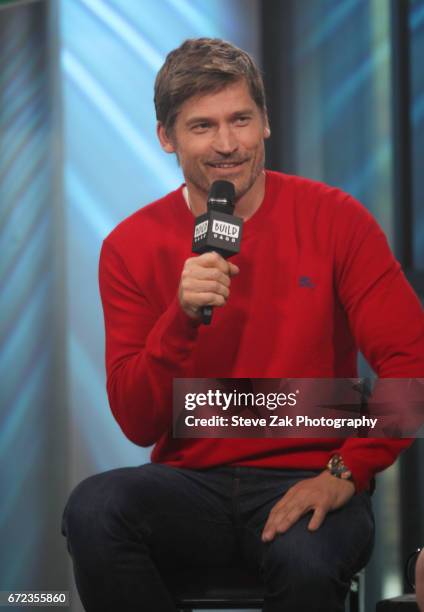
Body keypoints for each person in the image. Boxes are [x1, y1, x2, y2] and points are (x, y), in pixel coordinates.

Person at [61, 38, 424, 612]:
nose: (227, 144)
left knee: (304, 561)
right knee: (95, 510)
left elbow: (412, 362)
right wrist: (179, 321)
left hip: (311, 473)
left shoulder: (336, 219)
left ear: (266, 124)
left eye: (241, 120)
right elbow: (136, 419)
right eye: (202, 126)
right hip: (190, 487)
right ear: (166, 137)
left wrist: (346, 469)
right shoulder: (130, 246)